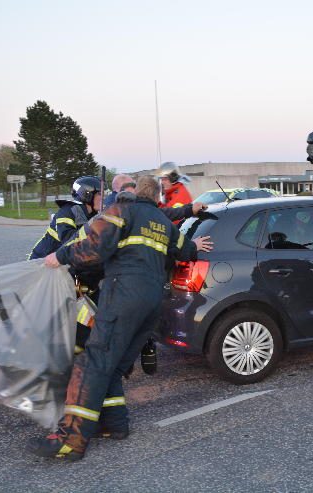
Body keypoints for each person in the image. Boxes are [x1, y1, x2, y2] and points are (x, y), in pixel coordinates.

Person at [27, 175, 213, 460]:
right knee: (111, 366)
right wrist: (197, 244)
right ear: (158, 198)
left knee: (93, 362)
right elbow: (186, 250)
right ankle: (114, 424)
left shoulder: (122, 210)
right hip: (153, 306)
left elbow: (94, 245)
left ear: (136, 192)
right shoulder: (163, 223)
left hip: (123, 296)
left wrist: (60, 257)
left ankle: (71, 441)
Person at [28, 176, 102, 260]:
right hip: (42, 260)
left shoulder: (92, 215)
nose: (103, 197)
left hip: (61, 262)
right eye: (100, 194)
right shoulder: (67, 212)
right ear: (86, 194)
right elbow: (68, 240)